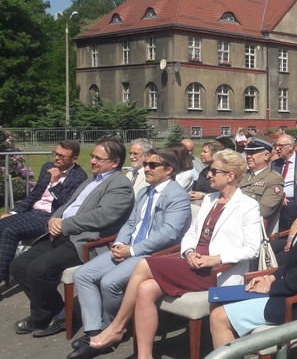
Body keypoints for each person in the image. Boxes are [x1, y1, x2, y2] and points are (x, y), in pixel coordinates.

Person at [87, 149, 262, 357]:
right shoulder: (209, 200)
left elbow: (253, 248)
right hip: (193, 264)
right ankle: (145, 356)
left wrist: (216, 258)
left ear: (230, 176)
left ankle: (116, 327)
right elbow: (191, 233)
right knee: (145, 289)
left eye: (214, 171)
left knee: (145, 263)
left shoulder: (248, 206)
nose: (208, 175)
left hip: (217, 272)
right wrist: (188, 251)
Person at [209, 155, 297, 347]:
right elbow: (293, 262)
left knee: (219, 317)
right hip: (293, 293)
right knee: (219, 301)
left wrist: (272, 287)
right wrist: (271, 278)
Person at [67, 149, 191, 359]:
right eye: (146, 165)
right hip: (129, 248)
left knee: (109, 282)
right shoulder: (144, 192)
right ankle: (95, 332)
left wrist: (132, 250)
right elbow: (132, 223)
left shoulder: (177, 196)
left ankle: (112, 330)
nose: (147, 168)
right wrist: (121, 242)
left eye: (153, 165)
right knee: (82, 275)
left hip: (154, 255)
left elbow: (170, 234)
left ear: (169, 169)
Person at [11, 139, 134, 337]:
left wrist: (64, 225)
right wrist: (54, 219)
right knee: (19, 266)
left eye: (98, 158)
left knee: (39, 269)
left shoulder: (120, 185)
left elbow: (102, 216)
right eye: (92, 156)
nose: (92, 161)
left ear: (115, 162)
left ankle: (42, 317)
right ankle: (59, 313)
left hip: (84, 241)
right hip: (62, 233)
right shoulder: (93, 179)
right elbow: (68, 204)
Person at [0, 141, 87, 290]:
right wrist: (14, 212)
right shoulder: (48, 167)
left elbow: (68, 205)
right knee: (2, 223)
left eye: (62, 156)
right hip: (31, 212)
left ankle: (1, 277)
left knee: (9, 231)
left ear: (74, 159)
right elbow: (34, 194)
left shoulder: (80, 177)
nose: (57, 158)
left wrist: (54, 184)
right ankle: (4, 272)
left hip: (48, 218)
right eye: (56, 153)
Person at [240, 139, 285, 234]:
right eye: (248, 153)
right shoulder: (240, 175)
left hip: (251, 229)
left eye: (253, 153)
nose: (248, 156)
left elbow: (264, 211)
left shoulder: (273, 179)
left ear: (266, 156)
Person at [272, 134, 297, 231]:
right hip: (279, 203)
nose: (277, 149)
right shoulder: (275, 164)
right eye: (276, 146)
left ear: (290, 146)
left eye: (280, 146)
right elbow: (273, 184)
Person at [189, 140, 226, 210]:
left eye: (205, 152)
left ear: (215, 154)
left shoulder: (222, 172)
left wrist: (203, 196)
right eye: (202, 151)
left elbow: (224, 194)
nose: (201, 154)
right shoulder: (204, 172)